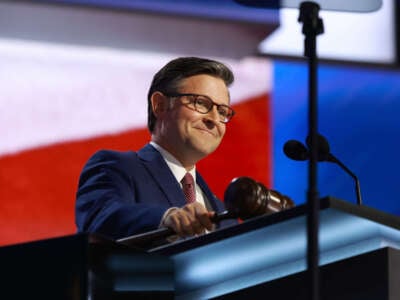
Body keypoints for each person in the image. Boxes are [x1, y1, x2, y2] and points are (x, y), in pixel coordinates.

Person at [75, 57, 237, 242]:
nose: (214, 119)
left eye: (222, 111)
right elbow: (98, 220)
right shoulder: (117, 167)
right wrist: (165, 217)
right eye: (200, 103)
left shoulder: (222, 211)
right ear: (159, 105)